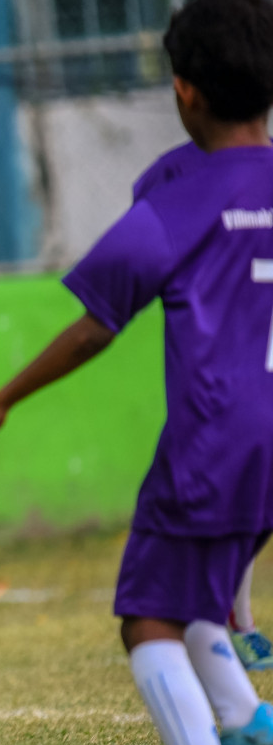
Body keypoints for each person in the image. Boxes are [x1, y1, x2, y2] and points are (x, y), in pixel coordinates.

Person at [0, 0, 273, 745]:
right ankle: (249, 726)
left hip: (217, 438)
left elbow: (99, 317)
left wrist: (2, 400)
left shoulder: (182, 196)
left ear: (184, 91)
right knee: (195, 597)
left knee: (146, 621)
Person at [131, 138, 273, 671]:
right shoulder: (175, 176)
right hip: (224, 392)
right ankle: (233, 620)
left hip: (236, 404)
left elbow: (98, 320)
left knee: (150, 613)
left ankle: (229, 635)